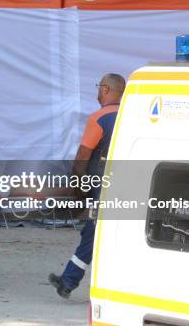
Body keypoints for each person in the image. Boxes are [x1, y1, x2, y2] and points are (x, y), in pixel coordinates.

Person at [49, 73, 125, 299]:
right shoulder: (132, 115)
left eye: (98, 87)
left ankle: (69, 281)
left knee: (93, 232)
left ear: (105, 89)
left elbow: (82, 158)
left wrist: (78, 191)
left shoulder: (98, 118)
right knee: (94, 233)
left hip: (102, 188)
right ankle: (68, 280)